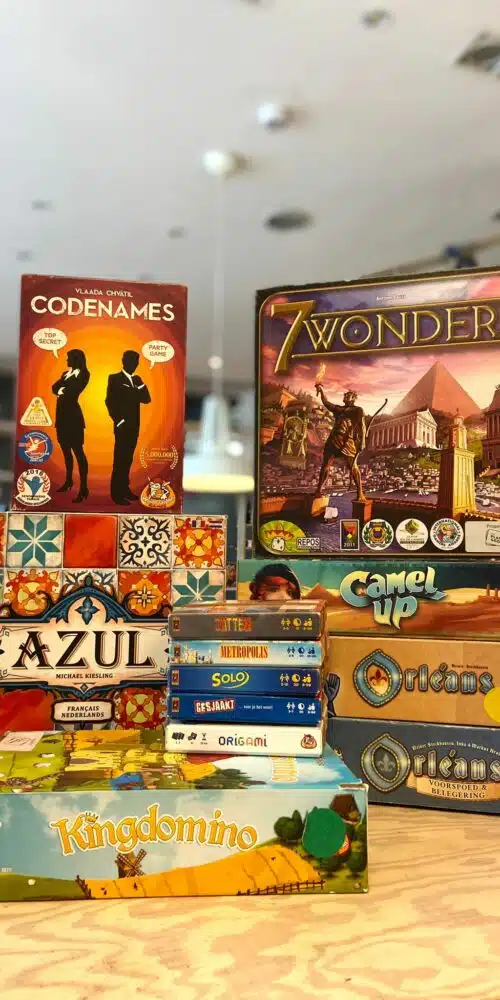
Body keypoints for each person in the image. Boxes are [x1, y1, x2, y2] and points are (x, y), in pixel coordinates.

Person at [105, 350, 151, 505]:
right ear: (124, 362)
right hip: (122, 427)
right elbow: (109, 401)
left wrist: (141, 384)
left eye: (136, 362)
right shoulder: (114, 378)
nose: (134, 365)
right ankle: (116, 494)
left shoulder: (137, 380)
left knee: (128, 460)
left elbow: (146, 399)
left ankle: (124, 489)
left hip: (134, 426)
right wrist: (118, 420)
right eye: (131, 361)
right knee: (120, 460)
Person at [314, 384, 367, 502]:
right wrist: (321, 391)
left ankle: (360, 493)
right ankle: (318, 490)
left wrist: (362, 441)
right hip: (333, 439)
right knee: (325, 465)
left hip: (346, 440)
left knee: (352, 466)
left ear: (353, 398)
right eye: (345, 395)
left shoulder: (357, 410)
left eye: (348, 395)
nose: (345, 396)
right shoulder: (338, 409)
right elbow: (326, 403)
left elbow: (362, 426)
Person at [51, 348, 90, 503]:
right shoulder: (65, 374)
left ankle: (84, 488)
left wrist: (61, 389)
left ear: (76, 359)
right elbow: (54, 387)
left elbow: (73, 391)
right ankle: (68, 481)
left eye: (69, 358)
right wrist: (61, 389)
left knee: (78, 452)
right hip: (61, 418)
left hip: (73, 419)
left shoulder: (84, 374)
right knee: (66, 451)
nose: (66, 360)